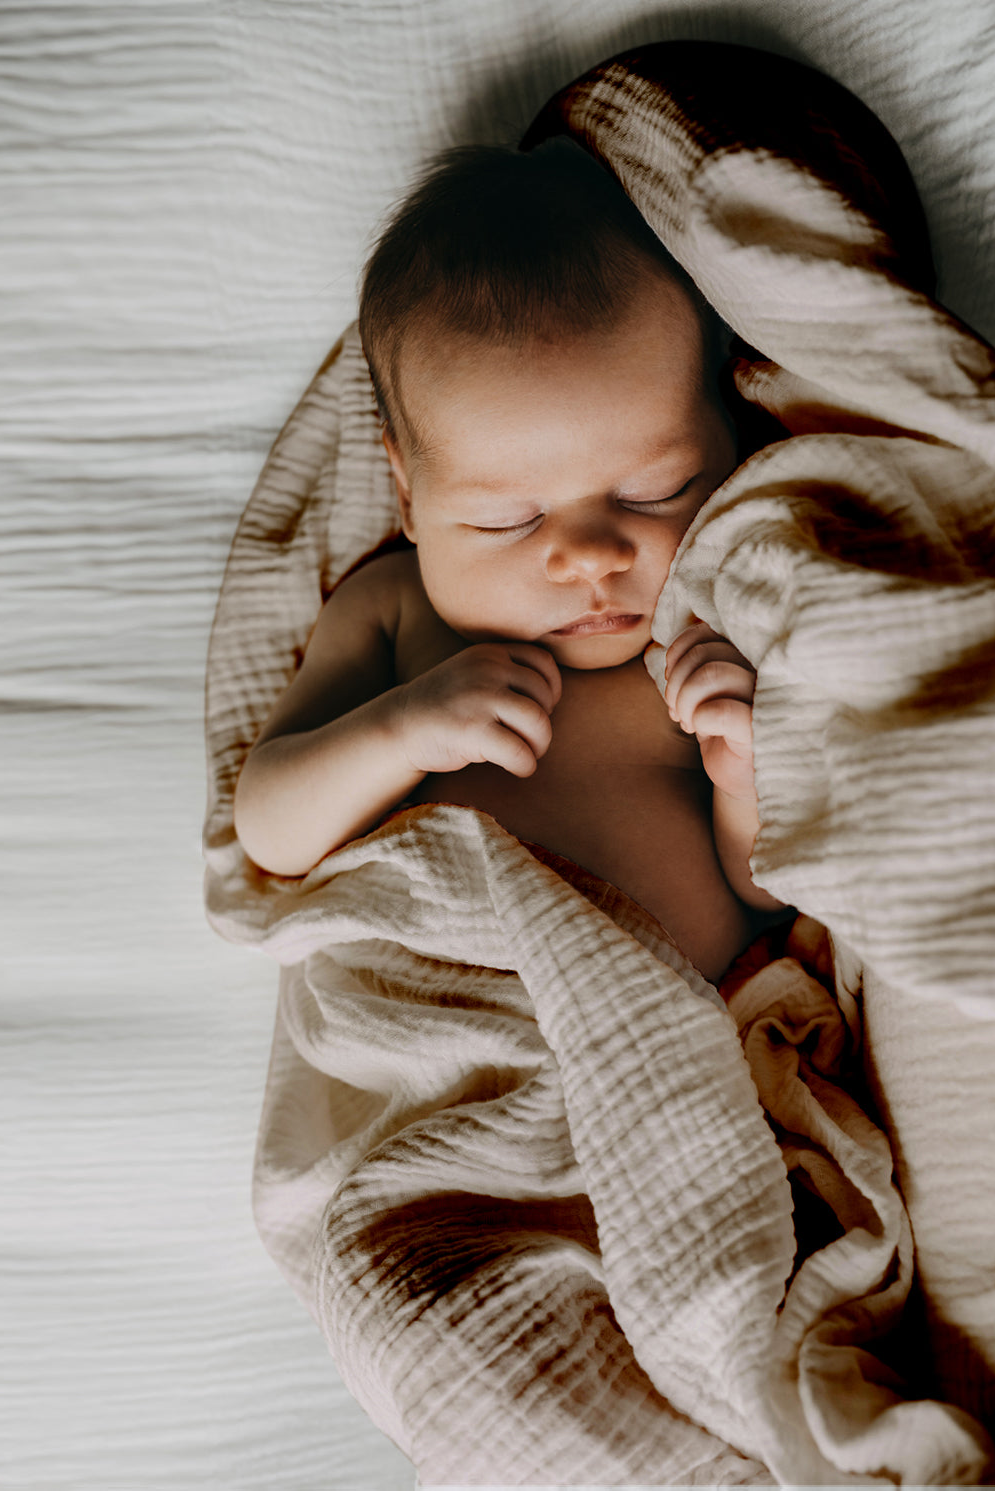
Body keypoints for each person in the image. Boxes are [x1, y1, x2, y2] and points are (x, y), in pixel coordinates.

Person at [234, 138, 785, 984]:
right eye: (506, 520)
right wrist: (404, 729)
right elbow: (272, 831)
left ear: (731, 434)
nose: (589, 558)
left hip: (679, 1035)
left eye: (653, 491)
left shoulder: (721, 626)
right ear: (409, 496)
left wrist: (743, 771)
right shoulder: (396, 613)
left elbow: (763, 892)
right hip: (453, 1021)